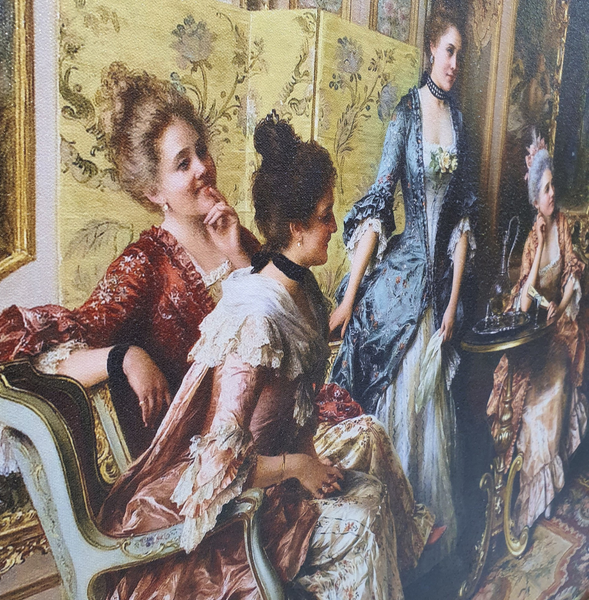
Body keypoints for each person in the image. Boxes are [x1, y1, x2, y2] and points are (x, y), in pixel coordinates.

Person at [97, 113, 435, 600]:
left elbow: (291, 385)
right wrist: (300, 467)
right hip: (239, 510)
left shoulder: (301, 288)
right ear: (296, 227)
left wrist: (309, 458)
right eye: (325, 215)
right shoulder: (250, 320)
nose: (335, 226)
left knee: (371, 452)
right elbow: (216, 467)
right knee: (365, 511)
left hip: (276, 470)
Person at [0, 63, 258, 456]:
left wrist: (237, 254)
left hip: (264, 428)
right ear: (154, 191)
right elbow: (52, 363)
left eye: (201, 151)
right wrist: (123, 357)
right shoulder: (144, 264)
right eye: (183, 163)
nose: (203, 167)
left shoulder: (236, 234)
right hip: (199, 457)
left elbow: (286, 328)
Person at [327, 4, 477, 557]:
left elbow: (461, 225)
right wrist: (350, 296)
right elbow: (377, 205)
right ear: (431, 50)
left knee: (428, 410)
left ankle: (424, 548)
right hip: (400, 278)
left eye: (461, 55)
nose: (454, 64)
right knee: (395, 406)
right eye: (449, 51)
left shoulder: (460, 124)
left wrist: (452, 303)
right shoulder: (406, 115)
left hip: (438, 289)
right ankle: (390, 544)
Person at [487, 139, 587, 533]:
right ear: (535, 199)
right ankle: (530, 495)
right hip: (536, 335)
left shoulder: (563, 225)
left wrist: (562, 305)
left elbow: (573, 275)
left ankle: (546, 493)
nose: (552, 193)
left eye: (553, 186)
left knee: (554, 391)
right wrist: (541, 241)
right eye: (546, 189)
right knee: (526, 405)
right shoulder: (533, 240)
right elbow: (525, 302)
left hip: (560, 331)